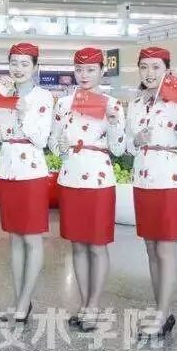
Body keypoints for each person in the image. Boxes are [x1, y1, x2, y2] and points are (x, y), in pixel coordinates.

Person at [49, 47, 125, 332]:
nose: (84, 75)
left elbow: (119, 149)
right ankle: (83, 303)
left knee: (97, 245)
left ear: (102, 71)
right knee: (77, 245)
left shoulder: (112, 105)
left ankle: (94, 304)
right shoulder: (62, 104)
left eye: (91, 69)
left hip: (98, 179)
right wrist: (61, 147)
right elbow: (54, 144)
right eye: (79, 69)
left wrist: (114, 124)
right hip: (71, 178)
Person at [125, 46, 177, 340]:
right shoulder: (134, 104)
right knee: (151, 248)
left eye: (156, 67)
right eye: (144, 67)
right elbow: (126, 146)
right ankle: (161, 310)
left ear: (168, 70)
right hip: (142, 179)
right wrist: (135, 140)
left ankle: (163, 314)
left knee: (165, 250)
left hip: (168, 180)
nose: (149, 73)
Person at [0, 42, 54, 323]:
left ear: (35, 67)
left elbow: (41, 139)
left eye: (25, 64)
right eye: (14, 63)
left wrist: (23, 113)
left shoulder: (43, 97)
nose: (18, 69)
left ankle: (25, 300)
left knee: (31, 237)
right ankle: (19, 302)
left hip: (31, 173)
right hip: (8, 170)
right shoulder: (3, 95)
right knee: (14, 238)